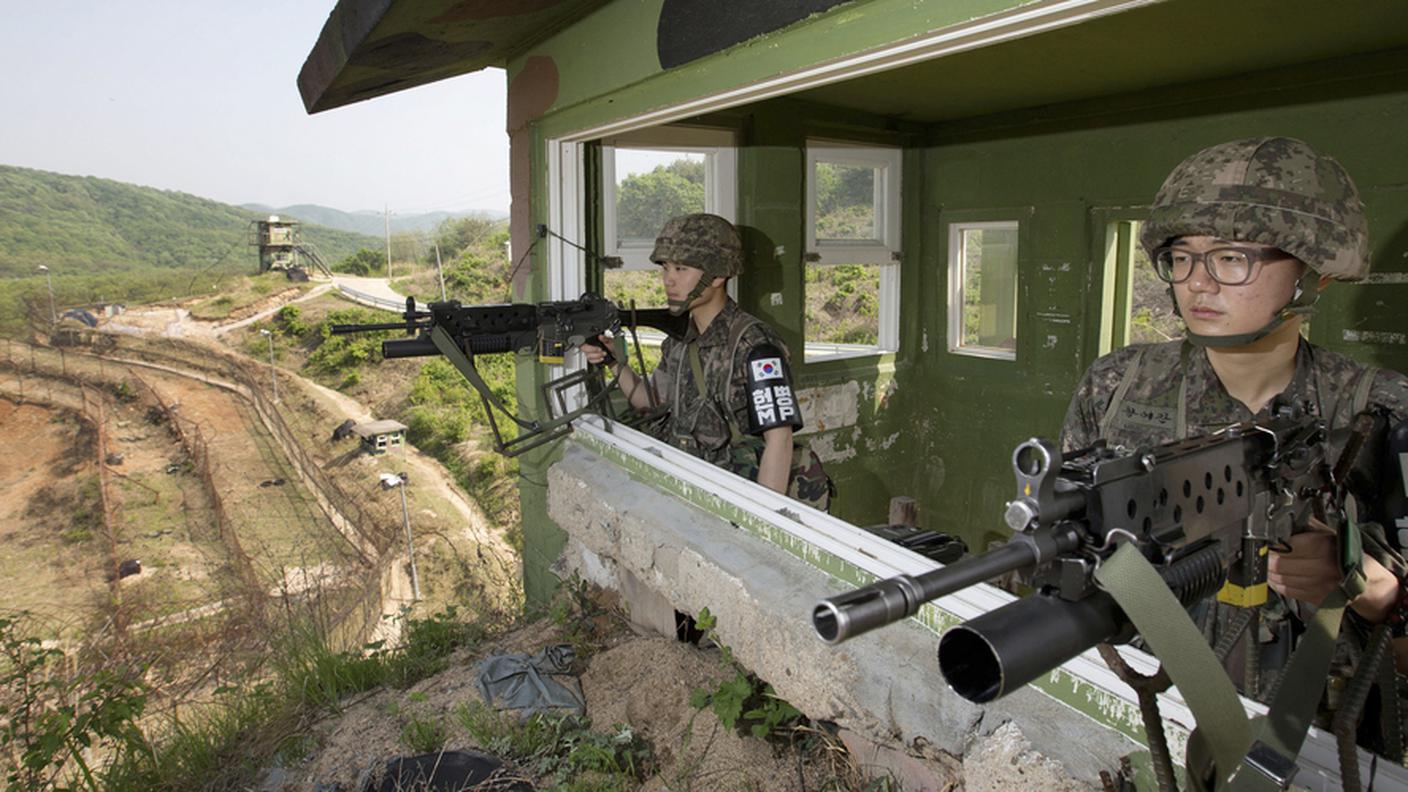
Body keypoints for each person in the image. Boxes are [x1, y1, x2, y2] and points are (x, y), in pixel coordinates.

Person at [1060, 137, 1408, 711]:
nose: (1198, 281)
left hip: (1322, 736)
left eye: (1231, 257)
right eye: (1182, 256)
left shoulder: (1382, 410)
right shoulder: (1116, 386)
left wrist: (1366, 587)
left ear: (1312, 274)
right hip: (1144, 702)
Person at [584, 213, 806, 498]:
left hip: (735, 495)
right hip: (689, 488)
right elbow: (650, 401)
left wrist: (761, 524)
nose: (668, 280)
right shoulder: (678, 340)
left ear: (718, 274)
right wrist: (614, 362)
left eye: (681, 269)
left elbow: (780, 440)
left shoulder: (754, 345)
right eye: (665, 268)